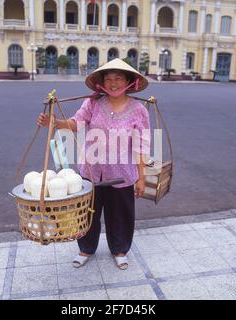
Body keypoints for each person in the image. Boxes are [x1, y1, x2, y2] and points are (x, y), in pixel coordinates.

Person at [37, 59, 150, 270]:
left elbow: (141, 146)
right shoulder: (92, 103)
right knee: (88, 212)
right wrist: (54, 122)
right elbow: (75, 123)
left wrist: (142, 178)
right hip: (91, 170)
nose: (113, 83)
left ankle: (119, 249)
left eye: (118, 78)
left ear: (128, 81)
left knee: (120, 213)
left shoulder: (139, 110)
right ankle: (86, 248)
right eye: (108, 79)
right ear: (102, 82)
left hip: (122, 173)